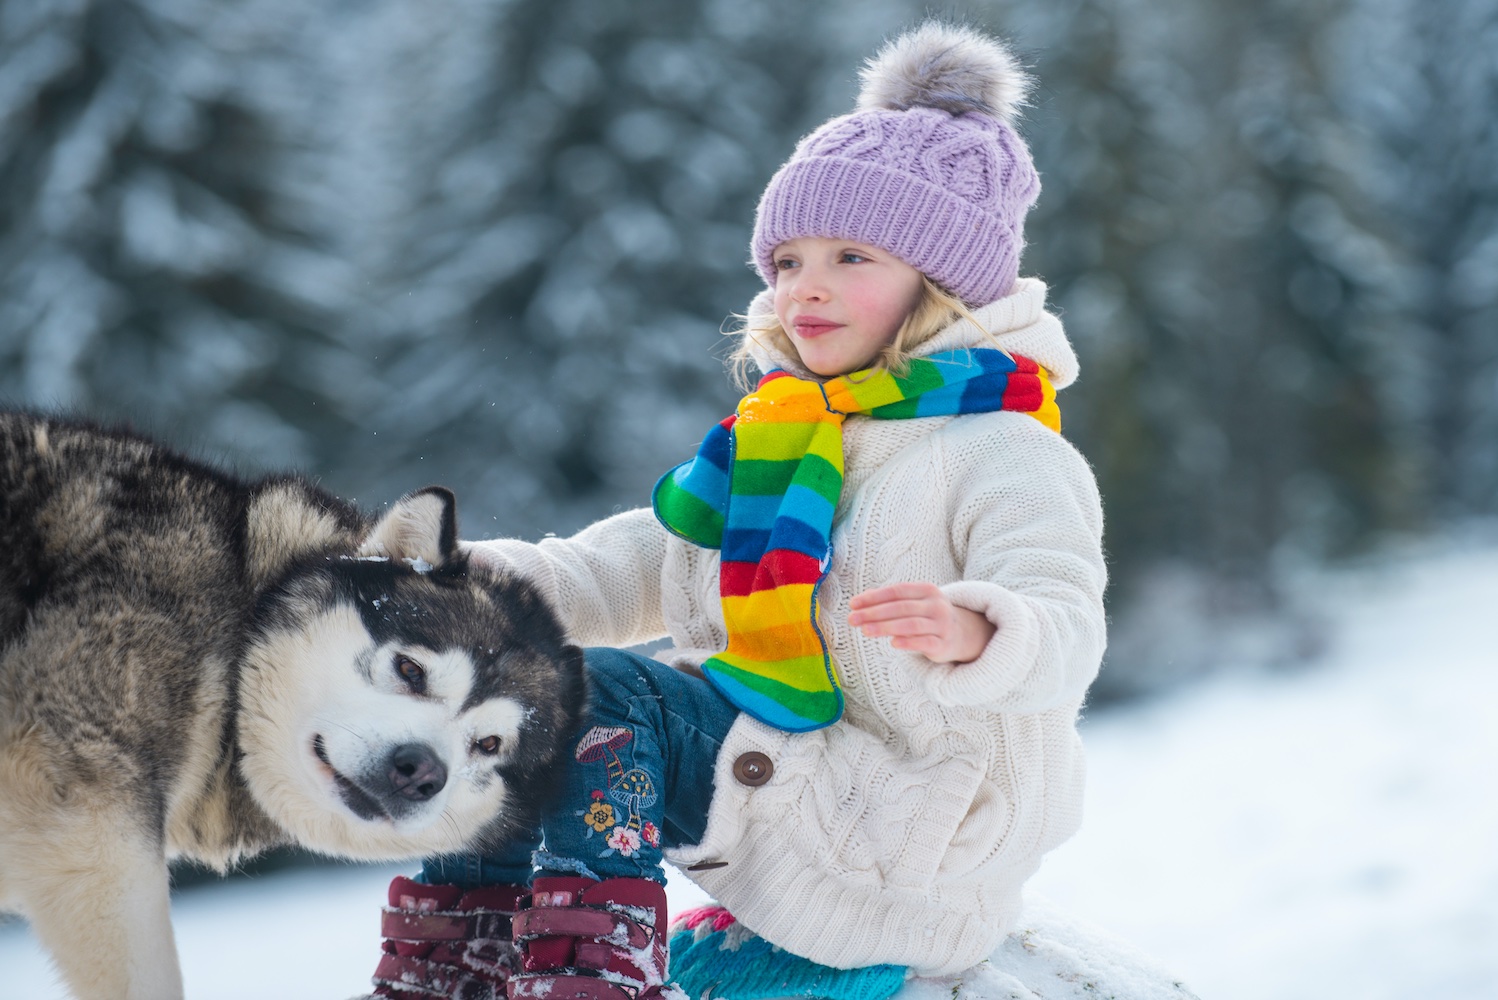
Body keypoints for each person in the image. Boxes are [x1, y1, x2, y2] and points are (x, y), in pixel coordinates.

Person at [360, 20, 1107, 1000]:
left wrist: (979, 627)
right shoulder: (784, 433)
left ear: (942, 284)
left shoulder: (1005, 449)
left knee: (605, 696)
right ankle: (457, 962)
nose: (807, 288)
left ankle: (595, 974)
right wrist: (461, 588)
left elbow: (1067, 619)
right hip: (802, 791)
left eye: (851, 257)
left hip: (911, 831)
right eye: (787, 260)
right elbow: (636, 562)